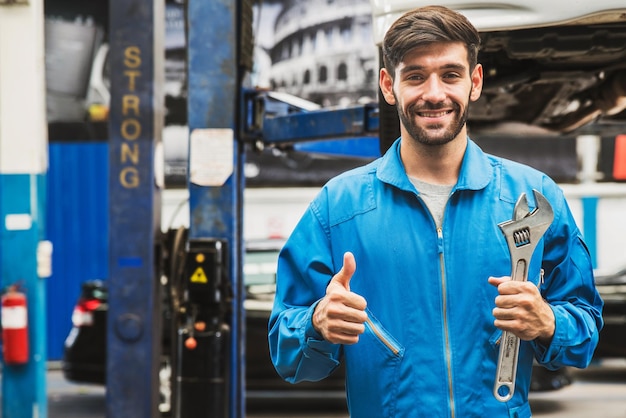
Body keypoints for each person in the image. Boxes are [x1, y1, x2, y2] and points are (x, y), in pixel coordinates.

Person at [268, 5, 603, 417]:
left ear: (474, 82)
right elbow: (287, 355)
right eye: (415, 76)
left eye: (450, 74)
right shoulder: (338, 207)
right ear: (389, 86)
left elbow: (585, 330)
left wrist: (549, 322)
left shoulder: (533, 195)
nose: (433, 93)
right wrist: (317, 324)